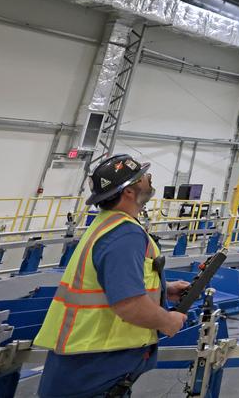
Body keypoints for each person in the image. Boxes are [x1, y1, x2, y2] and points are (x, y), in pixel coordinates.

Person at [34, 154, 190, 398]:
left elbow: (108, 281)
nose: (149, 179)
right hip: (96, 364)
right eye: (143, 176)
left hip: (85, 359)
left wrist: (164, 288)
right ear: (128, 191)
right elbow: (129, 305)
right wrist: (167, 321)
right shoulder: (124, 234)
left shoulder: (107, 224)